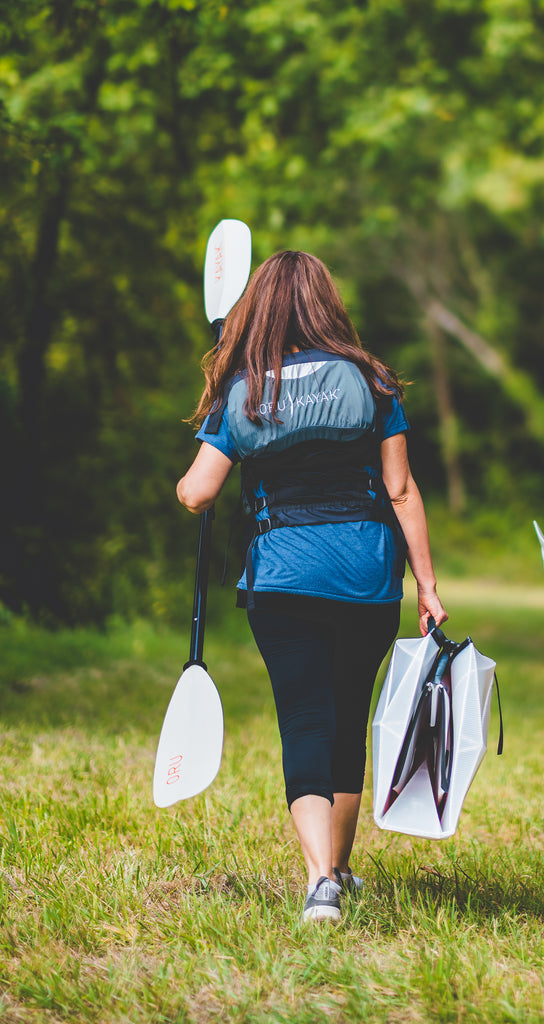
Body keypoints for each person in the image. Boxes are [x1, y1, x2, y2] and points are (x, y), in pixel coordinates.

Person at [177, 250, 447, 923]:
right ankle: (340, 870)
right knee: (348, 719)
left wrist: (198, 470)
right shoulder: (372, 380)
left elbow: (198, 493)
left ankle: (320, 880)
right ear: (327, 304)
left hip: (284, 575)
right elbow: (402, 489)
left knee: (303, 718)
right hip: (367, 575)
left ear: (259, 308)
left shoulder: (243, 389)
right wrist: (428, 586)